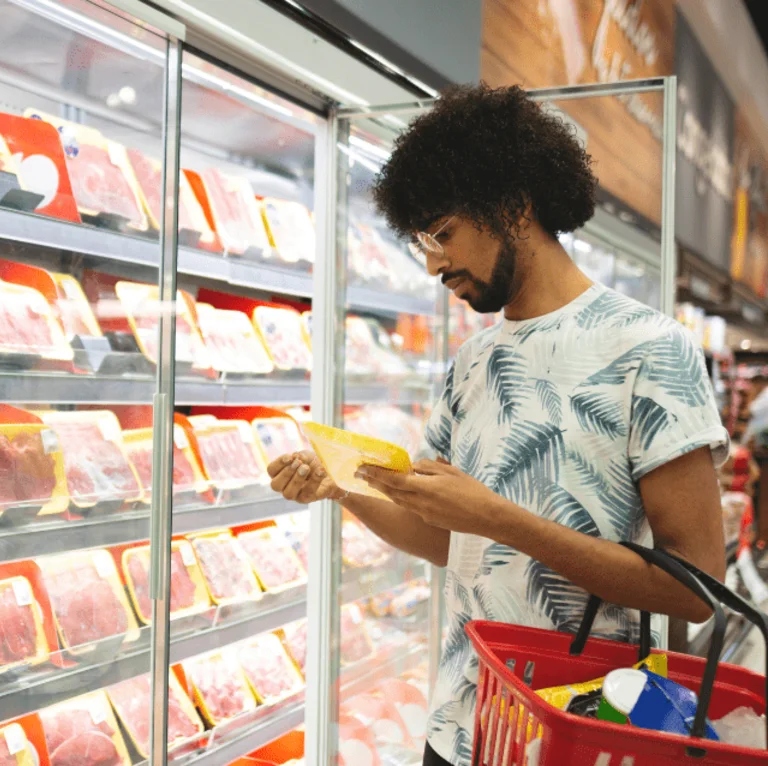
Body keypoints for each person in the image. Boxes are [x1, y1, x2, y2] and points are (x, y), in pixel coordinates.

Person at [268, 84, 728, 766]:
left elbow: (695, 589)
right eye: (421, 239)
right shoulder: (471, 362)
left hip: (580, 731)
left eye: (442, 233)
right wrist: (342, 489)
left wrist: (496, 518)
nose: (431, 263)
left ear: (513, 207)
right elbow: (442, 537)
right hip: (458, 726)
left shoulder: (649, 348)